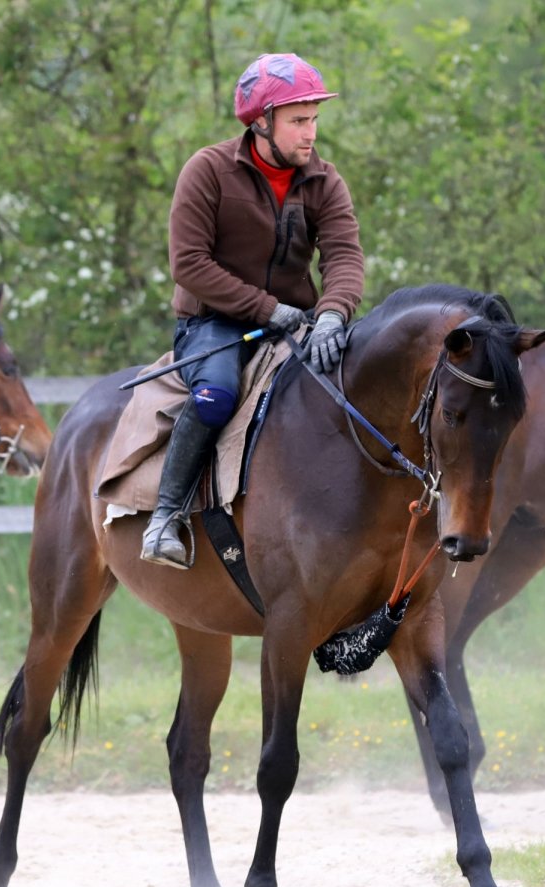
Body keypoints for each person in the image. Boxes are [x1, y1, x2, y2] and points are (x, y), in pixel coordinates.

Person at [140, 52, 365, 568]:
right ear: (261, 122)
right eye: (298, 121)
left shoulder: (325, 181)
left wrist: (333, 313)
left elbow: (345, 256)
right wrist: (266, 309)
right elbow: (189, 264)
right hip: (212, 323)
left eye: (314, 120)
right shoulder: (207, 170)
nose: (311, 133)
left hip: (299, 324)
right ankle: (165, 518)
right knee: (216, 396)